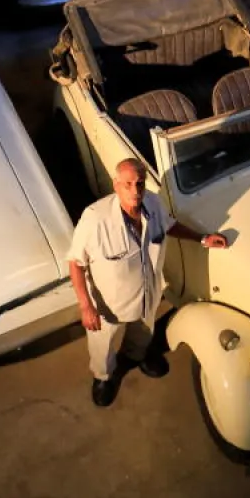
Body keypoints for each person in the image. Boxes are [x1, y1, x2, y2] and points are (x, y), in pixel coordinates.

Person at [68, 157, 229, 407]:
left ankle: (136, 356)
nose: (135, 191)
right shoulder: (94, 219)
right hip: (108, 304)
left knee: (143, 332)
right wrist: (85, 305)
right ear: (116, 185)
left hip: (147, 293)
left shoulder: (152, 202)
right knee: (103, 346)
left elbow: (169, 226)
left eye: (140, 184)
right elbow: (76, 262)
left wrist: (202, 238)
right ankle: (104, 377)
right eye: (128, 184)